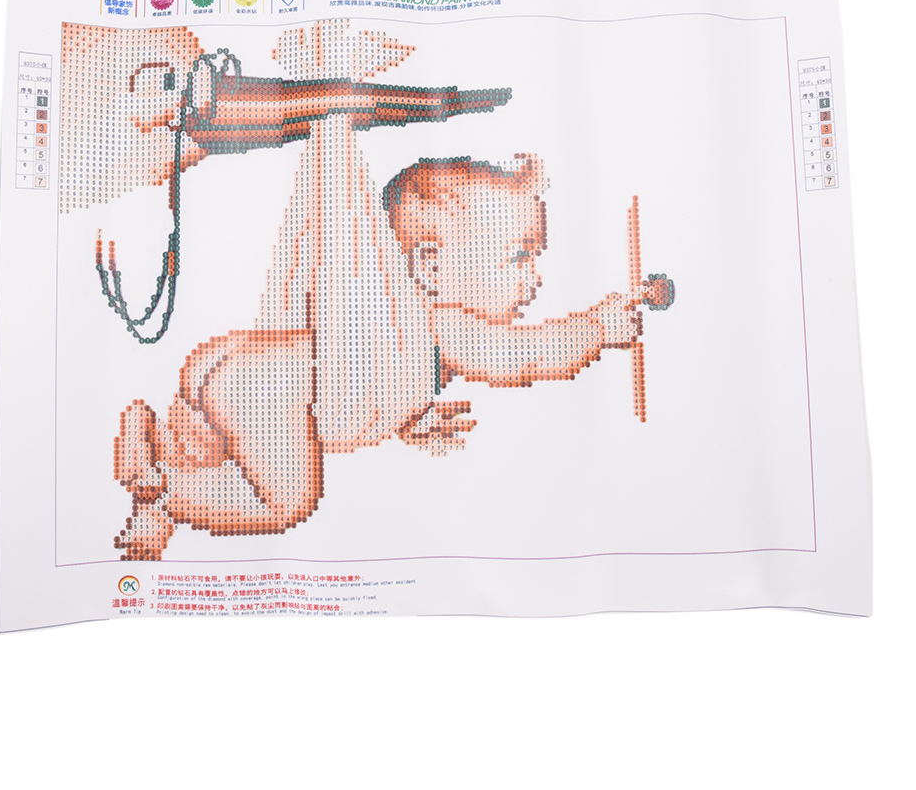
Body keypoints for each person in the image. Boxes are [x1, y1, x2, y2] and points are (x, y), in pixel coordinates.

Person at [113, 134, 670, 559]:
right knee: (285, 502)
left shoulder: (395, 334)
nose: (535, 278)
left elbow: (371, 373)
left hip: (240, 367)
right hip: (270, 395)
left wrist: (409, 415)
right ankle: (165, 493)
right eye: (519, 256)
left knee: (213, 456)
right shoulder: (443, 323)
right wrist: (596, 329)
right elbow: (524, 356)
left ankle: (154, 454)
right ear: (430, 266)